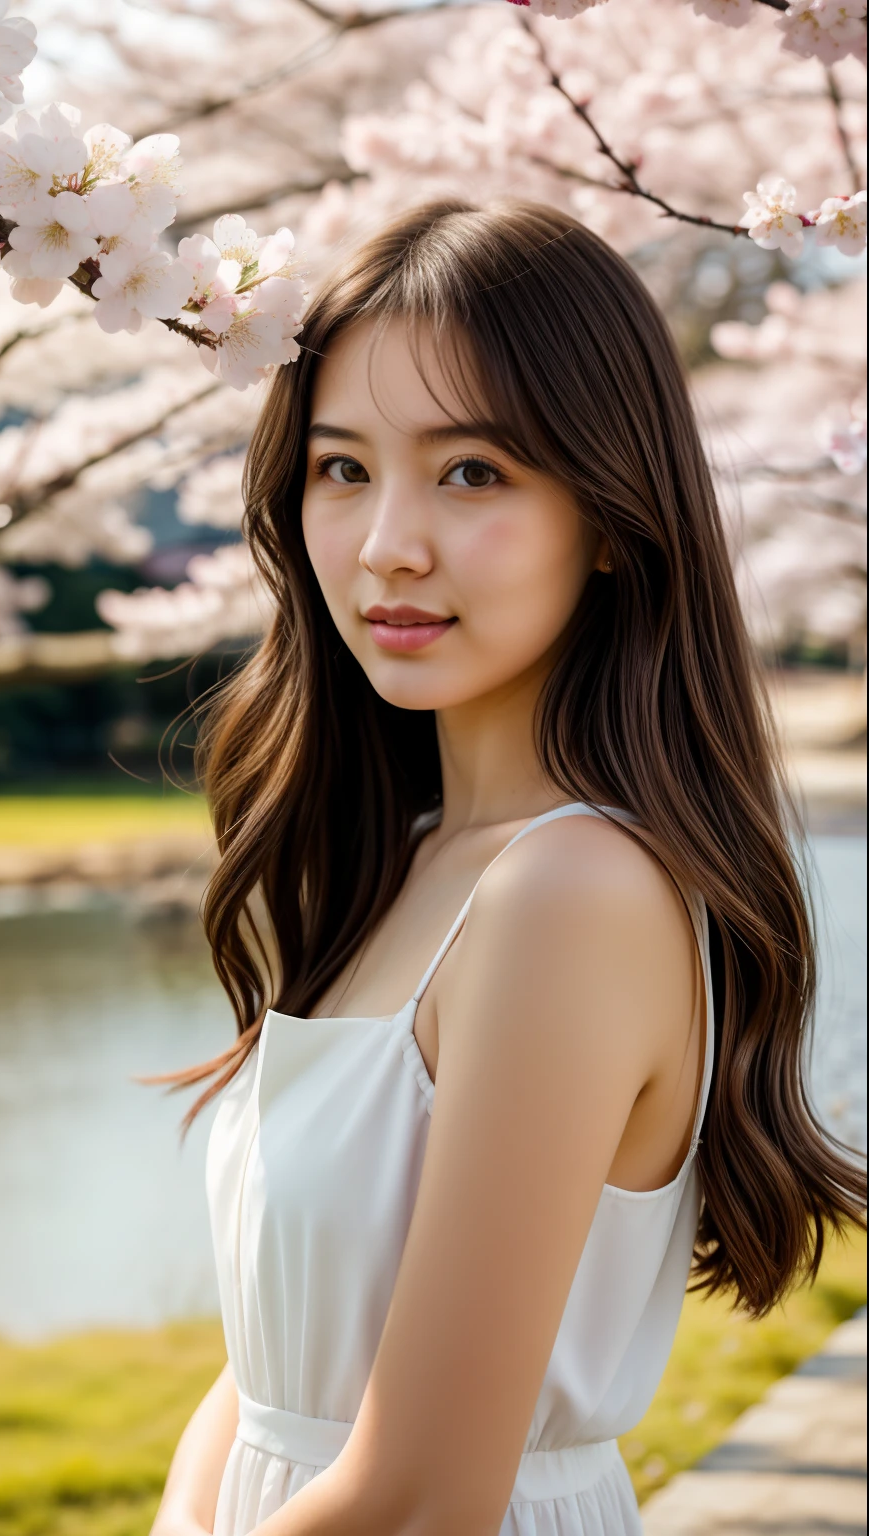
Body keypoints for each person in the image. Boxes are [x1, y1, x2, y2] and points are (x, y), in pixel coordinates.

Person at [149, 202, 866, 1536]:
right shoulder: (417, 864)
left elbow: (425, 1494)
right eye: (342, 467)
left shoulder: (569, 895)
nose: (387, 545)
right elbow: (271, 1383)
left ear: (608, 515)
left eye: (471, 472)